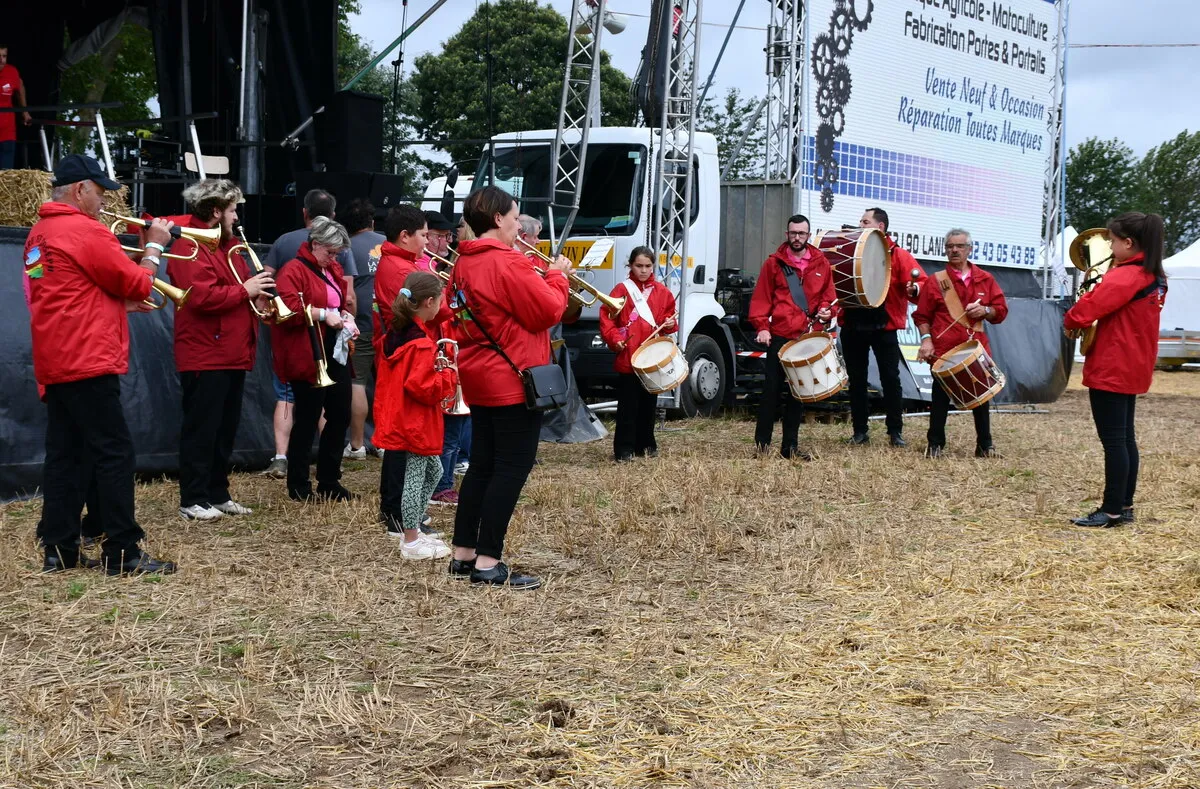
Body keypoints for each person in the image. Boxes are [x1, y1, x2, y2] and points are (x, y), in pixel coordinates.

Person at [24, 154, 176, 574]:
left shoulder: (38, 234)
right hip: (89, 358)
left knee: (64, 455)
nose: (104, 199)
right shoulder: (86, 231)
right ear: (80, 190)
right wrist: (154, 245)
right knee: (114, 453)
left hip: (55, 357)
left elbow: (57, 293)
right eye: (100, 191)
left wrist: (110, 307)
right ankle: (123, 551)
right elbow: (139, 281)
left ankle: (59, 549)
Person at [448, 185, 570, 590]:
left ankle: (463, 553)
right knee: (511, 468)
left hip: (480, 373)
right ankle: (488, 562)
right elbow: (548, 311)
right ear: (498, 219)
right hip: (513, 377)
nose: (519, 226)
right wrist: (557, 275)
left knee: (482, 465)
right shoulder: (508, 262)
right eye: (516, 218)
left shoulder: (462, 263)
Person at [167, 179, 276, 520]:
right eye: (232, 210)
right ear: (215, 211)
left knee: (224, 427)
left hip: (230, 349)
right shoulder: (190, 245)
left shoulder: (227, 246)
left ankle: (217, 492)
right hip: (205, 351)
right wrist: (246, 290)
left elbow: (236, 291)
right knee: (202, 427)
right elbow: (199, 297)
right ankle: (193, 497)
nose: (237, 216)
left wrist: (259, 297)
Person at [1064, 213, 1168, 528]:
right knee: (1125, 439)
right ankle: (1124, 505)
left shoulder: (1125, 276)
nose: (1108, 244)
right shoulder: (1153, 276)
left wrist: (1070, 319)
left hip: (1113, 364)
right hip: (1133, 363)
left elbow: (1085, 311)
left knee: (1114, 441)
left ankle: (1110, 510)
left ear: (1128, 242)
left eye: (1112, 239)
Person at [261, 189, 357, 478]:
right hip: (307, 351)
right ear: (315, 245)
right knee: (307, 418)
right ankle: (299, 481)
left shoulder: (332, 269)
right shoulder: (293, 270)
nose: (333, 258)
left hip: (332, 350)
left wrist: (343, 315)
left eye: (337, 253)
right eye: (330, 252)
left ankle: (329, 477)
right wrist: (320, 314)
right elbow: (285, 309)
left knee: (340, 414)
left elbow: (340, 299)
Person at [374, 271, 457, 559]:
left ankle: (414, 529)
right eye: (441, 300)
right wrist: (448, 376)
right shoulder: (420, 343)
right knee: (415, 477)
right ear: (430, 302)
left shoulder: (395, 334)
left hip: (401, 416)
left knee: (432, 470)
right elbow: (422, 387)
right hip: (414, 421)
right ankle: (410, 538)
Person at [914, 229, 1009, 458]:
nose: (954, 250)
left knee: (982, 396)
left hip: (975, 348)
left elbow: (1001, 311)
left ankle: (985, 446)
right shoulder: (936, 281)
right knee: (939, 398)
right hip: (945, 350)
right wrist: (926, 340)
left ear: (969, 249)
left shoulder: (986, 279)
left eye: (959, 246)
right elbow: (922, 316)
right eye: (949, 246)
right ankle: (935, 444)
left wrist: (985, 310)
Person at [748, 214, 836, 459]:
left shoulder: (821, 263)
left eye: (802, 233)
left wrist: (827, 311)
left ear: (809, 235)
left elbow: (828, 296)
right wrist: (762, 327)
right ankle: (761, 447)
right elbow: (761, 299)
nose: (797, 237)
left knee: (798, 394)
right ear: (787, 234)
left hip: (807, 337)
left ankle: (790, 448)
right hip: (780, 335)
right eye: (793, 233)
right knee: (771, 392)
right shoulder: (773, 264)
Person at [844, 207, 928, 447]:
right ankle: (860, 431)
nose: (860, 225)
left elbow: (920, 283)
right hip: (853, 322)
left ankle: (895, 432)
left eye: (865, 221)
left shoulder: (897, 254)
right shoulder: (851, 251)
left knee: (891, 379)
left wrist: (915, 289)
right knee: (857, 380)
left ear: (880, 227)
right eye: (860, 221)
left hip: (885, 325)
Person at [599, 246, 677, 462]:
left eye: (648, 266)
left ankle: (646, 444)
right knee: (627, 406)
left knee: (648, 404)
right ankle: (624, 449)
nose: (643, 270)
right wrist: (615, 340)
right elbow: (607, 320)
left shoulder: (663, 292)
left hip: (651, 357)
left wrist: (670, 324)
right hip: (629, 355)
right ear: (630, 266)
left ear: (653, 266)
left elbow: (670, 319)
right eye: (639, 266)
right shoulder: (620, 290)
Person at [339, 198, 386, 460]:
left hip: (361, 324)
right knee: (385, 385)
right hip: (388, 323)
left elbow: (348, 295)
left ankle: (356, 445)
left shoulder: (346, 248)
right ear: (371, 221)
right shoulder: (388, 243)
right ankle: (382, 442)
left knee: (358, 383)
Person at [0, 45, 32, 170]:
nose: (1, 60)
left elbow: (20, 88)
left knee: (6, 175)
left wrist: (25, 112)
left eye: (4, 56)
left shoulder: (12, 71)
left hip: (7, 131)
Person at [415, 210, 455, 274]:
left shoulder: (436, 262)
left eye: (450, 235)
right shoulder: (422, 266)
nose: (450, 240)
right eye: (446, 236)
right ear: (427, 236)